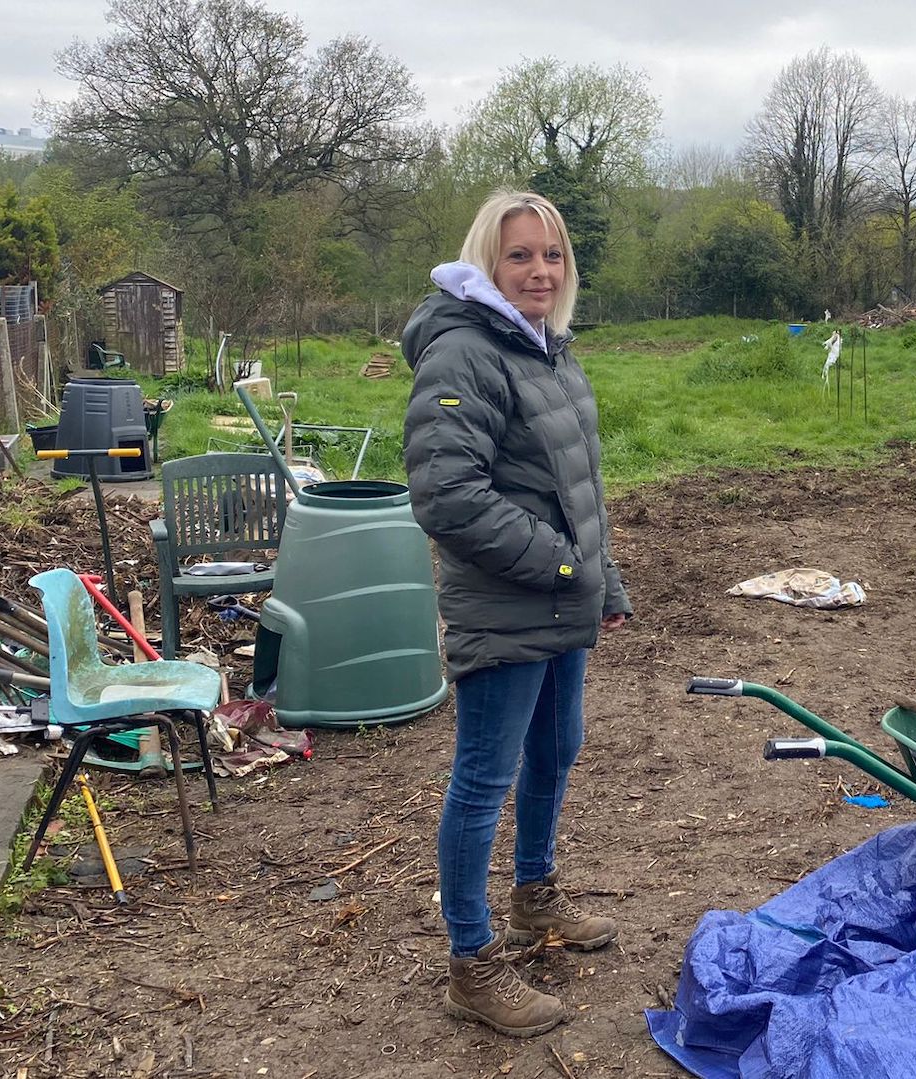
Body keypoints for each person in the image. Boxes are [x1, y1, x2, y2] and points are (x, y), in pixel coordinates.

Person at [401, 190, 632, 1038]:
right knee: (481, 783)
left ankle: (535, 898)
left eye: (553, 255)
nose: (540, 270)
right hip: (505, 605)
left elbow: (577, 486)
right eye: (520, 256)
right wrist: (566, 563)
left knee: (556, 752)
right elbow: (448, 495)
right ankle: (472, 962)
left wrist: (602, 581)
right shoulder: (464, 352)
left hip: (561, 595)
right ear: (488, 265)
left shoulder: (546, 348)